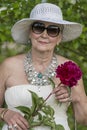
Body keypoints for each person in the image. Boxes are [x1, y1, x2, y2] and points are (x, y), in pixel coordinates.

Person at [0, 2, 87, 130]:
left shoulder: (70, 68)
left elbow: (83, 119)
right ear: (30, 32)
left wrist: (76, 97)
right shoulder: (8, 65)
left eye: (53, 30)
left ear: (59, 38)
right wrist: (4, 113)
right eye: (39, 27)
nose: (44, 35)